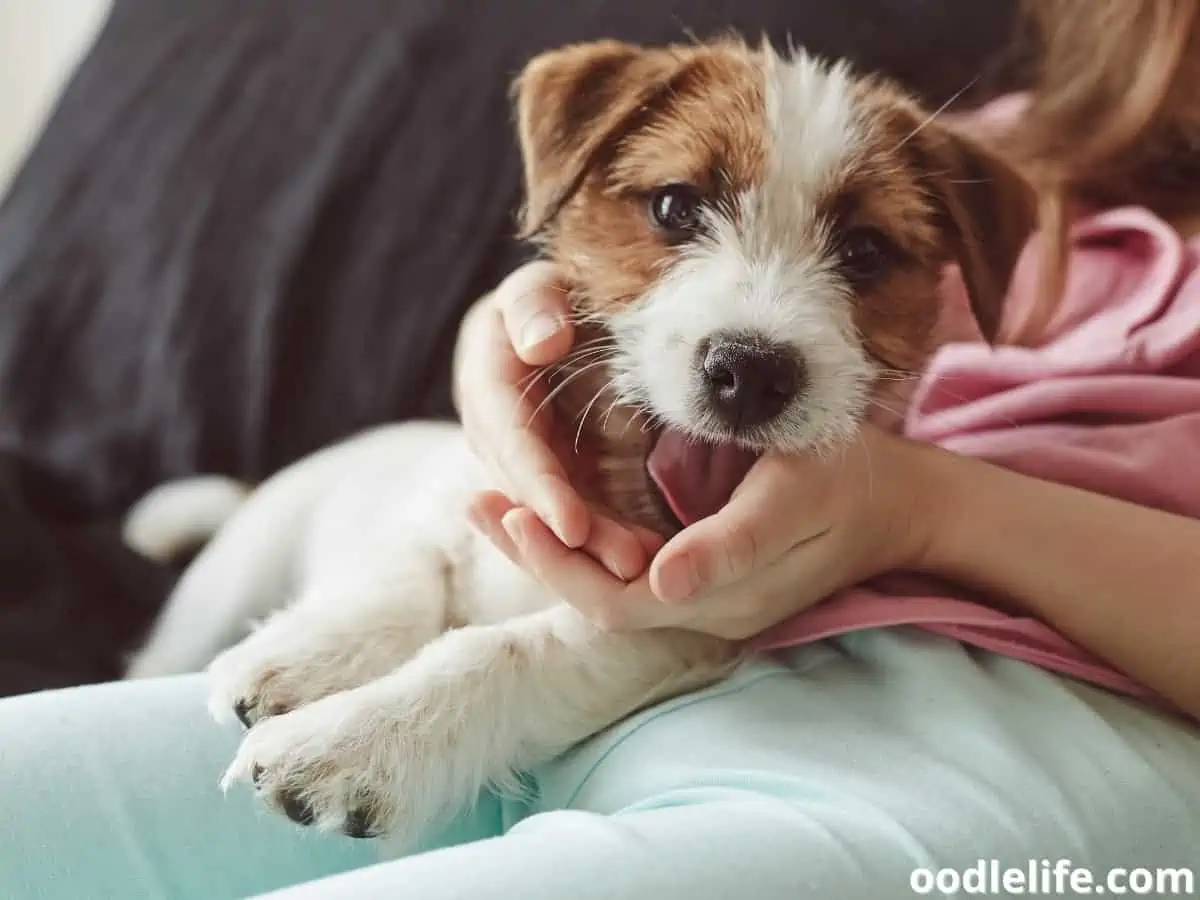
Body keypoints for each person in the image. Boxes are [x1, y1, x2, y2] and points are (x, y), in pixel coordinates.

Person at [3, 2, 1199, 899]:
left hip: (897, 749)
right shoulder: (1029, 155)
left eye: (863, 255)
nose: (760, 319)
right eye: (683, 212)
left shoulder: (960, 217)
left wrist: (926, 505)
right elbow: (560, 273)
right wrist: (506, 341)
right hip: (605, 667)